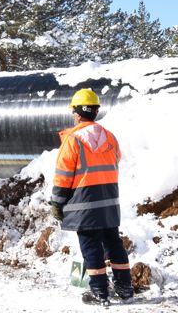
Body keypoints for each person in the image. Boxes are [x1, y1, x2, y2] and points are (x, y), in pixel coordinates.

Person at [50, 88, 133, 305]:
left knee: (91, 247)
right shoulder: (110, 138)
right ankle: (124, 288)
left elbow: (63, 177)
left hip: (84, 206)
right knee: (114, 244)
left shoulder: (73, 140)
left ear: (78, 113)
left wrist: (57, 203)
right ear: (95, 111)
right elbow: (114, 162)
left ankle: (99, 292)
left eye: (73, 111)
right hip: (109, 203)